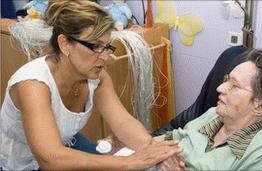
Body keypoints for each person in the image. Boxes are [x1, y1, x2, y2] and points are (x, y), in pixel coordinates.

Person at [0, 0, 182, 170]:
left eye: (108, 47)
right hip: (21, 163)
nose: (105, 56)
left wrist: (154, 150)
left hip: (63, 143)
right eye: (95, 46)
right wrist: (128, 162)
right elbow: (50, 159)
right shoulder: (33, 85)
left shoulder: (97, 77)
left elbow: (122, 122)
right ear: (65, 44)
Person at [106, 49, 262, 170]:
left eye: (234, 86)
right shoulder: (214, 115)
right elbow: (172, 137)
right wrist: (131, 144)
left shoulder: (260, 154)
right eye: (226, 80)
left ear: (260, 106)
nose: (220, 89)